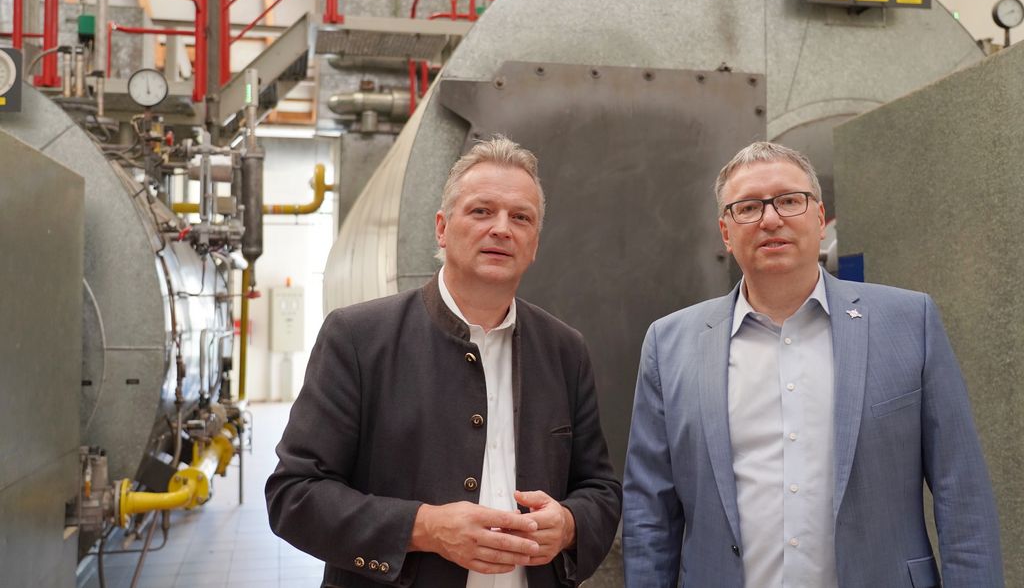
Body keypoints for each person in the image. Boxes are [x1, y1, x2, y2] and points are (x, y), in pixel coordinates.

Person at [622, 141, 1003, 587]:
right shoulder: (669, 344)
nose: (770, 219)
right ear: (725, 232)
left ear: (820, 219)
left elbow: (962, 492)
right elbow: (649, 514)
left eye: (789, 200)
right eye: (748, 207)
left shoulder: (909, 323)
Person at [267, 135, 621, 588]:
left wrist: (569, 524)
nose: (501, 228)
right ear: (441, 228)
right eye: (481, 211)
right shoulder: (357, 338)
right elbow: (294, 495)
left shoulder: (564, 350)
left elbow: (600, 490)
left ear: (534, 243)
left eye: (521, 217)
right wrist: (425, 528)